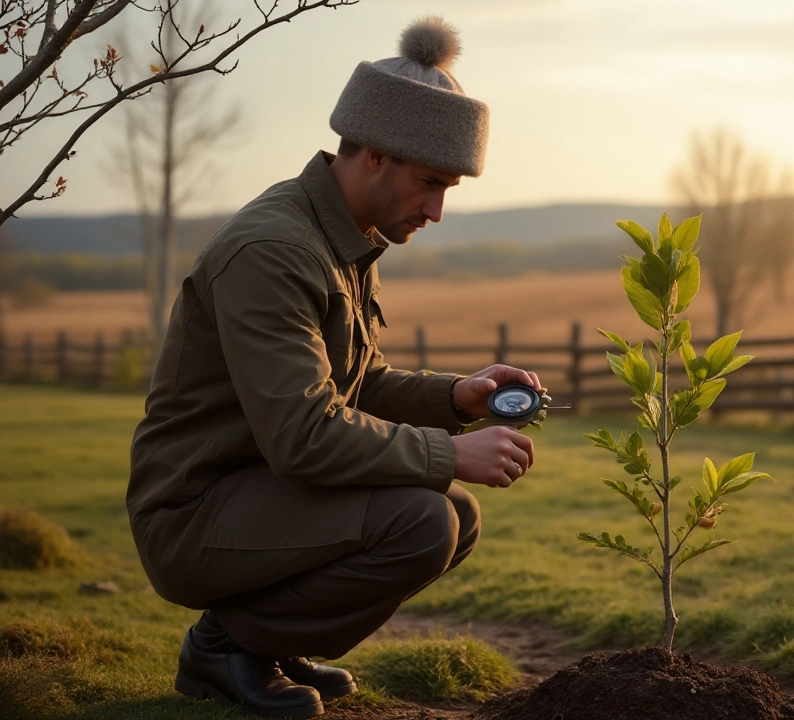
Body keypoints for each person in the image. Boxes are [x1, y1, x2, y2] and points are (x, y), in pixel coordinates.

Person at [126, 17, 538, 720]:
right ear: (373, 155)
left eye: (450, 190)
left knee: (453, 516)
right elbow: (303, 433)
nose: (437, 211)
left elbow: (361, 385)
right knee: (421, 521)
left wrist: (458, 399)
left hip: (262, 490)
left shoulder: (340, 239)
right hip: (194, 511)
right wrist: (450, 453)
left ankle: (264, 646)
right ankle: (226, 649)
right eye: (429, 184)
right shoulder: (275, 250)